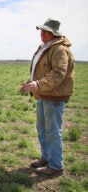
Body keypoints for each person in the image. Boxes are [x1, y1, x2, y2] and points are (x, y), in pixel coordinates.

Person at [20, 18, 75, 176]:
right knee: (42, 128)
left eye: (46, 31)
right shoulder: (46, 47)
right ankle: (46, 158)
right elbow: (42, 72)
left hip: (54, 96)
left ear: (54, 33)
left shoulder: (59, 50)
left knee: (52, 131)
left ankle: (56, 165)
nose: (42, 34)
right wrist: (31, 83)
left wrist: (39, 84)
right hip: (43, 94)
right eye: (41, 31)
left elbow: (59, 73)